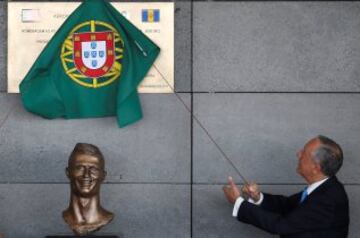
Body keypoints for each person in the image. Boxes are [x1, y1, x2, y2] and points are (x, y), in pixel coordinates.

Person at [223, 135, 349, 238]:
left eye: (304, 153)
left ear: (316, 168)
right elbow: (288, 205)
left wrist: (238, 202)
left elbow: (281, 225)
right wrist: (258, 197)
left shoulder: (328, 200)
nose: (298, 154)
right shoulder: (326, 187)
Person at [63, 143, 114, 236]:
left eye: (93, 169)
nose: (86, 175)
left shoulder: (106, 217)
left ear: (103, 175)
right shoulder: (65, 217)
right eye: (79, 168)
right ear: (68, 172)